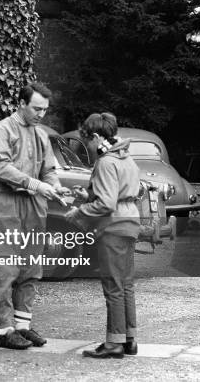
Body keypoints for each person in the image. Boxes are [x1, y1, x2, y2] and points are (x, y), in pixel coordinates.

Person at [0, 82, 70, 350]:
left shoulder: (42, 135)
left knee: (31, 267)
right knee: (6, 268)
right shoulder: (1, 130)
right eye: (36, 108)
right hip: (6, 203)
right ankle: (4, 331)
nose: (41, 114)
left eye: (44, 109)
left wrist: (54, 185)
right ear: (21, 103)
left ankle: (22, 326)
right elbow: (1, 168)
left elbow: (49, 170)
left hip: (34, 205)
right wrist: (36, 185)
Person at [65, 112, 141, 359]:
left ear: (96, 137)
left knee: (113, 286)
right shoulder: (126, 158)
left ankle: (114, 344)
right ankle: (129, 340)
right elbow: (119, 192)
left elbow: (107, 203)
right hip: (129, 222)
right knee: (125, 284)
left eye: (87, 141)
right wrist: (88, 195)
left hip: (113, 226)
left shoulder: (106, 161)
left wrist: (79, 212)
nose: (86, 146)